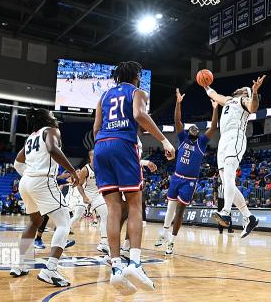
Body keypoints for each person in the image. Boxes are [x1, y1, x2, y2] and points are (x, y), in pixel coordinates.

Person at [93, 61, 175, 295]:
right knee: (135, 204)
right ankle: (136, 264)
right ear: (137, 77)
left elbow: (96, 128)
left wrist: (104, 146)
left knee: (113, 209)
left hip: (101, 147)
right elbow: (139, 114)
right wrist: (164, 141)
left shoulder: (104, 95)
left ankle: (116, 267)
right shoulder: (138, 92)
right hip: (122, 145)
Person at [10, 108, 79, 287]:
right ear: (46, 119)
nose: (54, 116)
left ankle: (19, 264)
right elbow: (52, 148)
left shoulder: (31, 137)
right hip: (41, 181)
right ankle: (50, 269)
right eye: (51, 114)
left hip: (25, 182)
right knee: (64, 221)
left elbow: (17, 162)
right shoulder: (51, 130)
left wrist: (30, 175)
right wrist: (72, 170)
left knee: (34, 222)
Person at [154, 88, 218, 255]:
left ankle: (171, 243)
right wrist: (178, 103)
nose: (195, 129)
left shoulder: (202, 143)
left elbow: (213, 126)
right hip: (176, 177)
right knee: (170, 207)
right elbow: (177, 120)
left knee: (180, 211)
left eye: (197, 129)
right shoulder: (182, 139)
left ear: (198, 134)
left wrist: (215, 108)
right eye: (192, 128)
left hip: (189, 181)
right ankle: (164, 234)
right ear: (189, 131)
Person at [204, 75, 266, 238]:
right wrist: (205, 86)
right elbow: (214, 94)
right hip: (223, 140)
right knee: (226, 182)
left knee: (230, 176)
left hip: (235, 137)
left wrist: (253, 92)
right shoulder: (228, 100)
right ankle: (249, 218)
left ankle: (226, 211)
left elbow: (253, 107)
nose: (240, 88)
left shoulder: (243, 101)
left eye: (244, 89)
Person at [76, 150, 109, 253]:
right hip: (85, 194)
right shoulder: (85, 169)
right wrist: (84, 197)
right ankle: (64, 236)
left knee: (106, 215)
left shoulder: (102, 167)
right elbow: (79, 185)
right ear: (90, 157)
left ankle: (103, 243)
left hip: (97, 196)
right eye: (94, 155)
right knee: (76, 217)